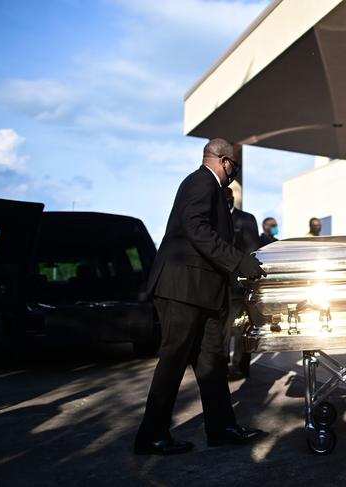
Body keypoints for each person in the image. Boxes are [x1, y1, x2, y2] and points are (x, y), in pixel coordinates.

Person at [135, 138, 267, 456]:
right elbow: (196, 228)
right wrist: (238, 260)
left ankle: (221, 427)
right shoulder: (199, 182)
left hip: (202, 292)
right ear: (223, 161)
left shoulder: (209, 187)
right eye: (234, 165)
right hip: (182, 289)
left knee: (211, 362)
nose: (234, 171)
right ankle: (151, 435)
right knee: (173, 361)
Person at [222, 186, 260, 380]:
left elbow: (252, 249)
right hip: (219, 284)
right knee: (222, 327)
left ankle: (239, 366)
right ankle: (222, 364)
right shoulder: (214, 218)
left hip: (238, 283)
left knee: (240, 327)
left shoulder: (246, 219)